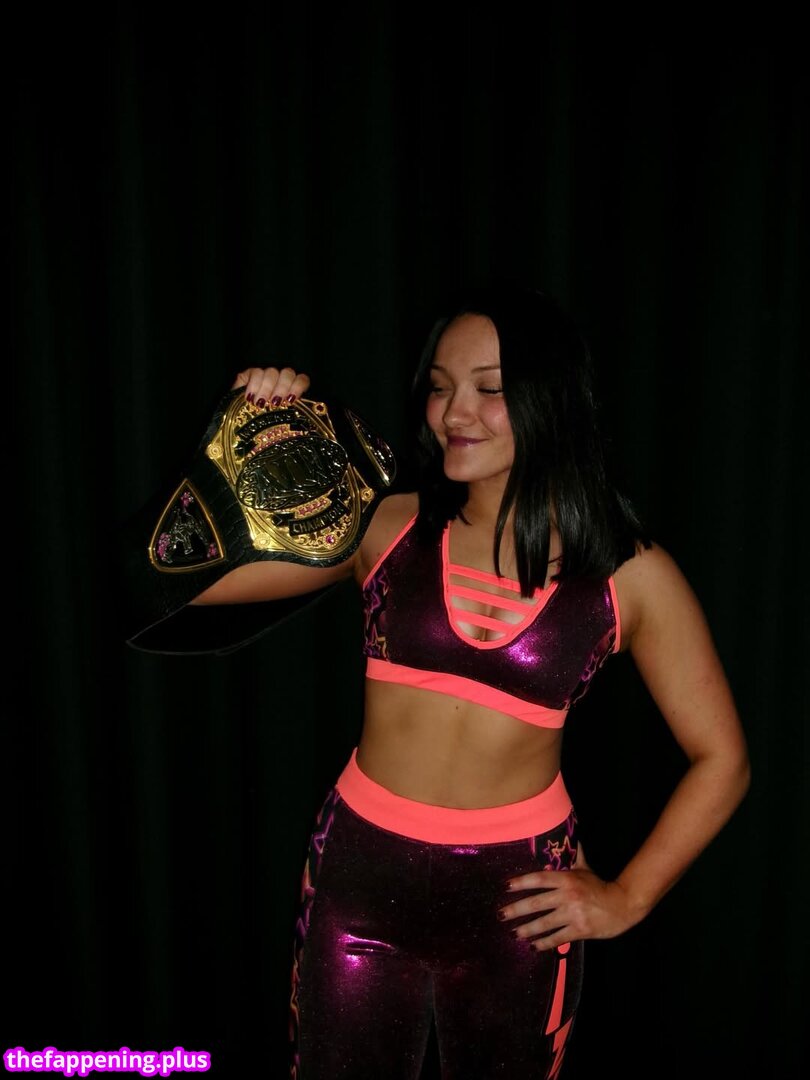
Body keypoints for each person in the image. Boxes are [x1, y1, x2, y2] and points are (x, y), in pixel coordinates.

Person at [140, 286, 750, 1078]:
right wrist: (244, 433)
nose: (453, 412)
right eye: (439, 386)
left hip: (519, 906)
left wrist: (626, 898)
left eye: (489, 389)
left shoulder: (626, 576)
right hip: (357, 882)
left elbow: (722, 760)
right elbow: (175, 584)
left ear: (551, 399)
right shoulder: (387, 526)